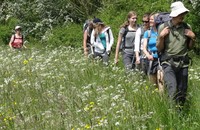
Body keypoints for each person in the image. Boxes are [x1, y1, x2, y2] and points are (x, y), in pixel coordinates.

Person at [156, 1, 196, 106]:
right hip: (168, 62)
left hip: (183, 63)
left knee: (182, 91)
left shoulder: (187, 27)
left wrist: (193, 38)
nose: (182, 16)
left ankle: (180, 113)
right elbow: (159, 49)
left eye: (183, 14)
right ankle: (171, 113)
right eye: (180, 14)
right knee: (172, 88)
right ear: (174, 15)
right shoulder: (163, 27)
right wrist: (161, 37)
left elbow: (189, 47)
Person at [143, 13, 159, 85]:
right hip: (151, 58)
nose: (150, 21)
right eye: (149, 20)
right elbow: (144, 47)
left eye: (152, 19)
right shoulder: (147, 33)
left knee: (161, 78)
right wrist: (147, 55)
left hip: (160, 58)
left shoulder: (162, 32)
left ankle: (162, 95)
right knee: (153, 81)